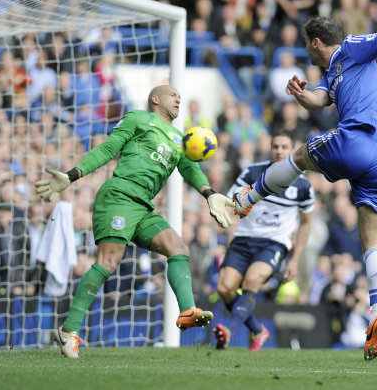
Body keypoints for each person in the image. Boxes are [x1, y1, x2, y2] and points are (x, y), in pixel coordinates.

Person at [232, 14, 377, 361]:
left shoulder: (354, 47)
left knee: (298, 156)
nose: (305, 52)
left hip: (358, 140)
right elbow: (319, 100)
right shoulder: (333, 73)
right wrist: (301, 94)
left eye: (304, 44)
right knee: (372, 241)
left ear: (315, 42)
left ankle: (245, 200)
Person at [34, 85, 235, 358]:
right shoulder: (138, 118)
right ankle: (68, 330)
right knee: (108, 262)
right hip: (120, 194)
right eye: (172, 94)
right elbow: (107, 149)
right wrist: (71, 175)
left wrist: (209, 193)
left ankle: (188, 311)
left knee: (179, 248)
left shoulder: (179, 138)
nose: (178, 98)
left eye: (180, 96)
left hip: (143, 207)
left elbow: (190, 169)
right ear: (156, 99)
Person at [214, 129, 314, 351]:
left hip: (273, 244)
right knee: (225, 288)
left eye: (284, 147)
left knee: (252, 280)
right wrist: (231, 229)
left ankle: (229, 330)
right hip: (243, 239)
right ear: (270, 148)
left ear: (292, 150)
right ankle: (258, 331)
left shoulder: (303, 186)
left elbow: (306, 223)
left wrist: (295, 260)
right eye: (275, 146)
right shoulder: (252, 173)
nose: (279, 151)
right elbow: (233, 202)